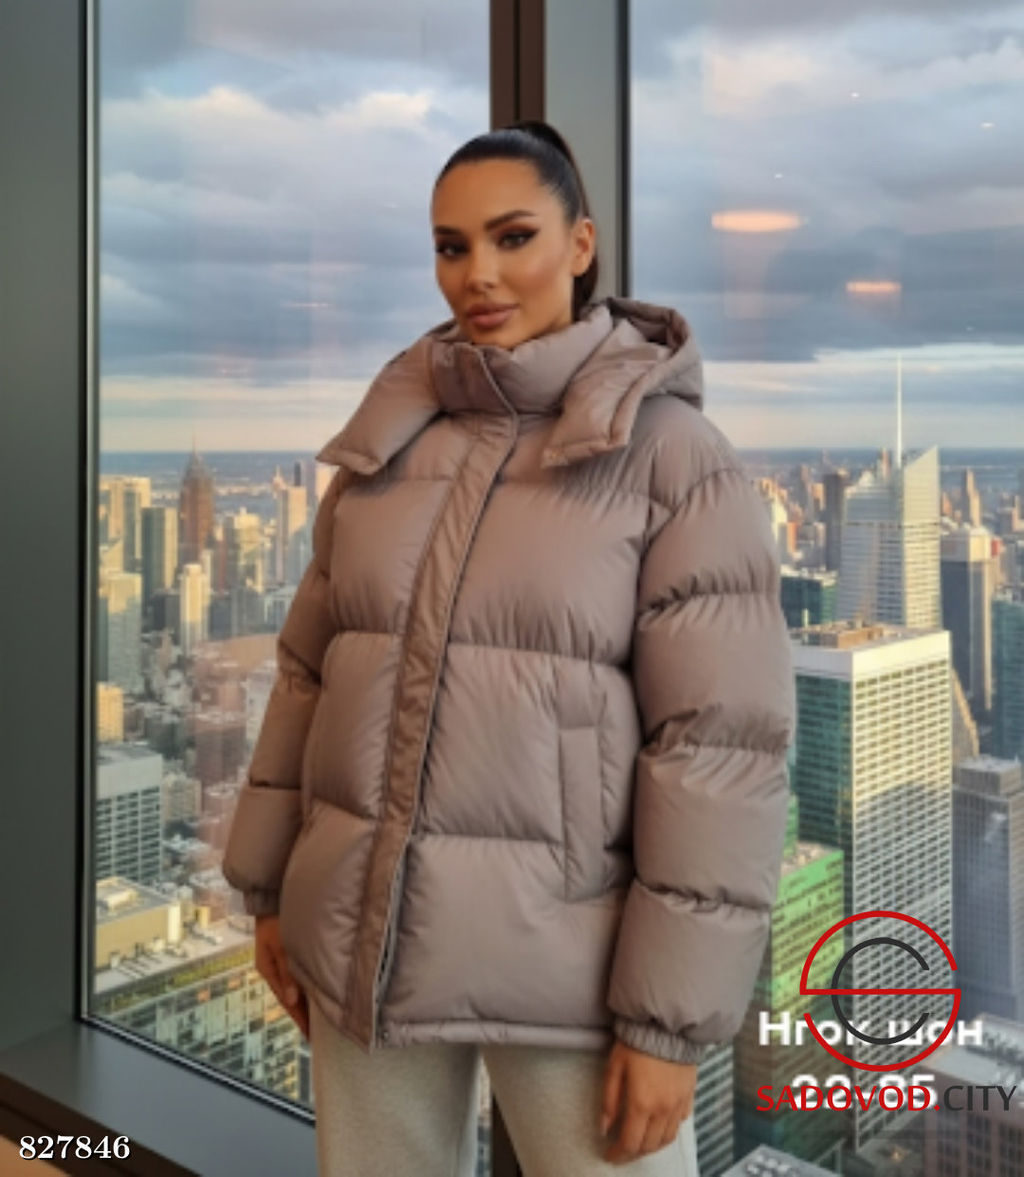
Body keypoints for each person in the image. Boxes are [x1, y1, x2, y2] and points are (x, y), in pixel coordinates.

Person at [222, 120, 797, 1176]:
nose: (476, 274)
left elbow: (717, 749)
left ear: (580, 245)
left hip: (567, 965)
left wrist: (669, 1022)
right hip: (366, 939)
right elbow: (310, 677)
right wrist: (271, 891)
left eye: (512, 236)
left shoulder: (673, 459)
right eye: (451, 247)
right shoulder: (387, 448)